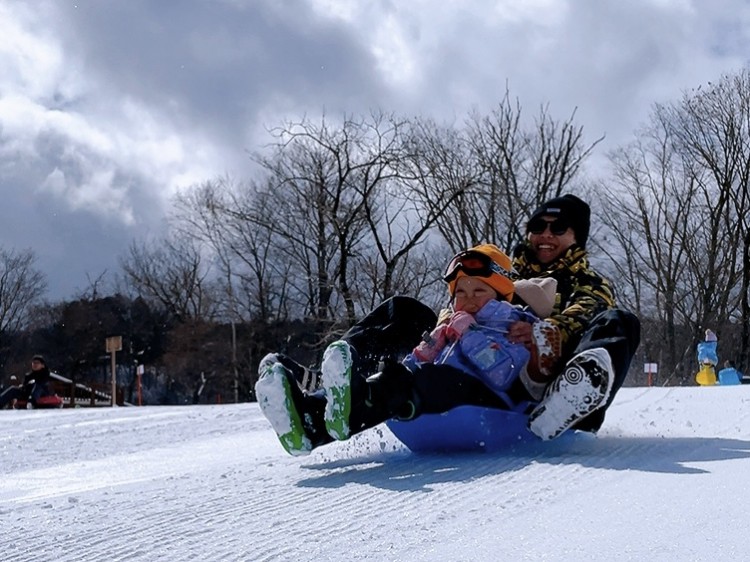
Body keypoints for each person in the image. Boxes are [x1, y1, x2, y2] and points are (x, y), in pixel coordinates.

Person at [255, 244, 555, 456]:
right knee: (396, 377)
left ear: (500, 294)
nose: (469, 299)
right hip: (438, 394)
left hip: (489, 401)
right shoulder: (453, 323)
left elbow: (502, 374)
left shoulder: (513, 325)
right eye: (461, 292)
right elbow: (416, 362)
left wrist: (469, 333)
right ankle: (309, 424)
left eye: (480, 291)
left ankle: (352, 398)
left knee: (423, 381)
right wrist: (430, 345)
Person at [507, 194, 641, 440]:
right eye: (538, 227)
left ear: (575, 237)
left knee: (619, 322)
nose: (546, 235)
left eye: (558, 228)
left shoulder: (589, 283)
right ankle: (417, 390)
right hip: (504, 374)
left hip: (554, 378)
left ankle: (568, 400)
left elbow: (586, 308)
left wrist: (546, 332)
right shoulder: (504, 279)